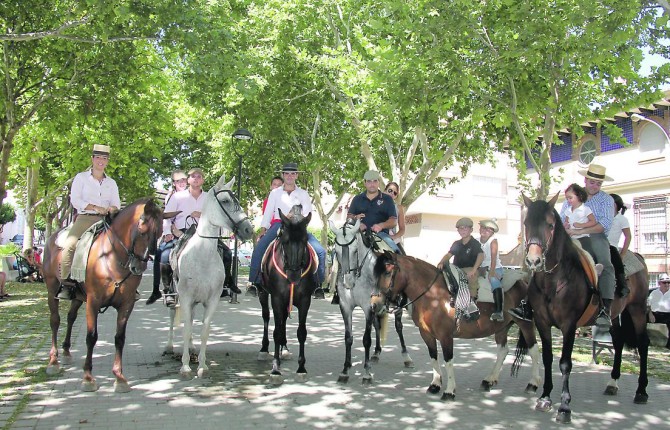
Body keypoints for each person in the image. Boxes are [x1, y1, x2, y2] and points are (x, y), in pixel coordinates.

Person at [510, 163, 616, 327]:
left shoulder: (606, 200)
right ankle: (527, 303)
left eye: (598, 183)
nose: (595, 186)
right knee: (542, 259)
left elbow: (604, 225)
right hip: (569, 237)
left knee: (606, 264)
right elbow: (560, 222)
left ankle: (605, 309)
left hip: (595, 237)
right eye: (592, 182)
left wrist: (579, 230)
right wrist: (567, 230)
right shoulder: (570, 197)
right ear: (586, 180)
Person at [248, 162, 326, 292]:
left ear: (296, 176)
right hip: (279, 224)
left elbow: (307, 213)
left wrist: (295, 217)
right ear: (283, 175)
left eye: (292, 173)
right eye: (287, 173)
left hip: (298, 226)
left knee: (320, 251)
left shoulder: (303, 193)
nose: (290, 176)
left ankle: (318, 285)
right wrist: (263, 229)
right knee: (259, 249)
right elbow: (268, 213)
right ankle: (255, 283)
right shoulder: (275, 193)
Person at [58, 144, 120, 300]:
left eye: (104, 158)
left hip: (105, 220)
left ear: (107, 161)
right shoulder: (81, 178)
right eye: (98, 157)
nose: (101, 161)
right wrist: (94, 207)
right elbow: (75, 200)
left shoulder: (111, 183)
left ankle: (124, 282)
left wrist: (111, 208)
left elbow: (116, 203)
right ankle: (66, 283)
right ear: (92, 159)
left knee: (123, 245)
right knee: (70, 244)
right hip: (86, 217)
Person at [146, 170, 189, 305]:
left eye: (183, 180)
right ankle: (167, 289)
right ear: (174, 183)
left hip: (195, 232)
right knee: (163, 255)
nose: (181, 183)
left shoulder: (194, 194)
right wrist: (167, 233)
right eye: (178, 181)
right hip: (175, 231)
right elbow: (166, 218)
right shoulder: (172, 196)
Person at [437, 217, 484, 317]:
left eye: (465, 228)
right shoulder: (457, 244)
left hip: (469, 267)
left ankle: (472, 302)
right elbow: (449, 254)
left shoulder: (474, 243)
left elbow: (480, 255)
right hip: (457, 268)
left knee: (471, 276)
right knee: (445, 277)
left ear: (471, 230)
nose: (462, 231)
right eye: (460, 228)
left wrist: (474, 269)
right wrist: (441, 262)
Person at [347, 170, 399, 253]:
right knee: (339, 251)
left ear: (378, 182)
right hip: (358, 234)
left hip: (381, 235)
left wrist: (381, 225)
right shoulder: (357, 199)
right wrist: (356, 221)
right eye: (369, 181)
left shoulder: (387, 199)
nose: (372, 184)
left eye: (375, 181)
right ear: (364, 183)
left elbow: (393, 221)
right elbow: (349, 218)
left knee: (396, 254)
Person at [479, 219, 504, 322]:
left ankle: (499, 311)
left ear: (492, 232)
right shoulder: (475, 240)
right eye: (483, 228)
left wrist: (492, 271)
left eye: (488, 229)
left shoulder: (493, 241)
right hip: (481, 268)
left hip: (495, 267)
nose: (485, 230)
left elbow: (493, 258)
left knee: (493, 280)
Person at [562, 183, 597, 256]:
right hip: (571, 238)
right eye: (567, 198)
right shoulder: (568, 210)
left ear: (579, 196)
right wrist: (566, 225)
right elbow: (566, 221)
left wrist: (581, 225)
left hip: (583, 237)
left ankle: (594, 265)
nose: (568, 200)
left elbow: (593, 221)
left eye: (570, 198)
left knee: (589, 252)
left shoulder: (585, 209)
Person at [608, 193, 631, 298]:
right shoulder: (601, 217)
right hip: (598, 243)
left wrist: (623, 253)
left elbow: (628, 236)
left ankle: (623, 285)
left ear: (617, 205)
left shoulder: (621, 219)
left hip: (611, 245)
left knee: (613, 255)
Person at [649, 273, 670, 349]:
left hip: (668, 315)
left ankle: (669, 344)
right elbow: (648, 305)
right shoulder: (654, 293)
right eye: (664, 282)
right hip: (655, 314)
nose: (667, 284)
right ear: (659, 283)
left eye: (668, 282)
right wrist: (650, 314)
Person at [385, 181, 406, 255]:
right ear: (385, 191)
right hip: (375, 234)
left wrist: (393, 237)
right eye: (390, 190)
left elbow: (402, 229)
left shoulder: (399, 208)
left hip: (391, 238)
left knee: (403, 260)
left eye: (395, 193)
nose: (392, 193)